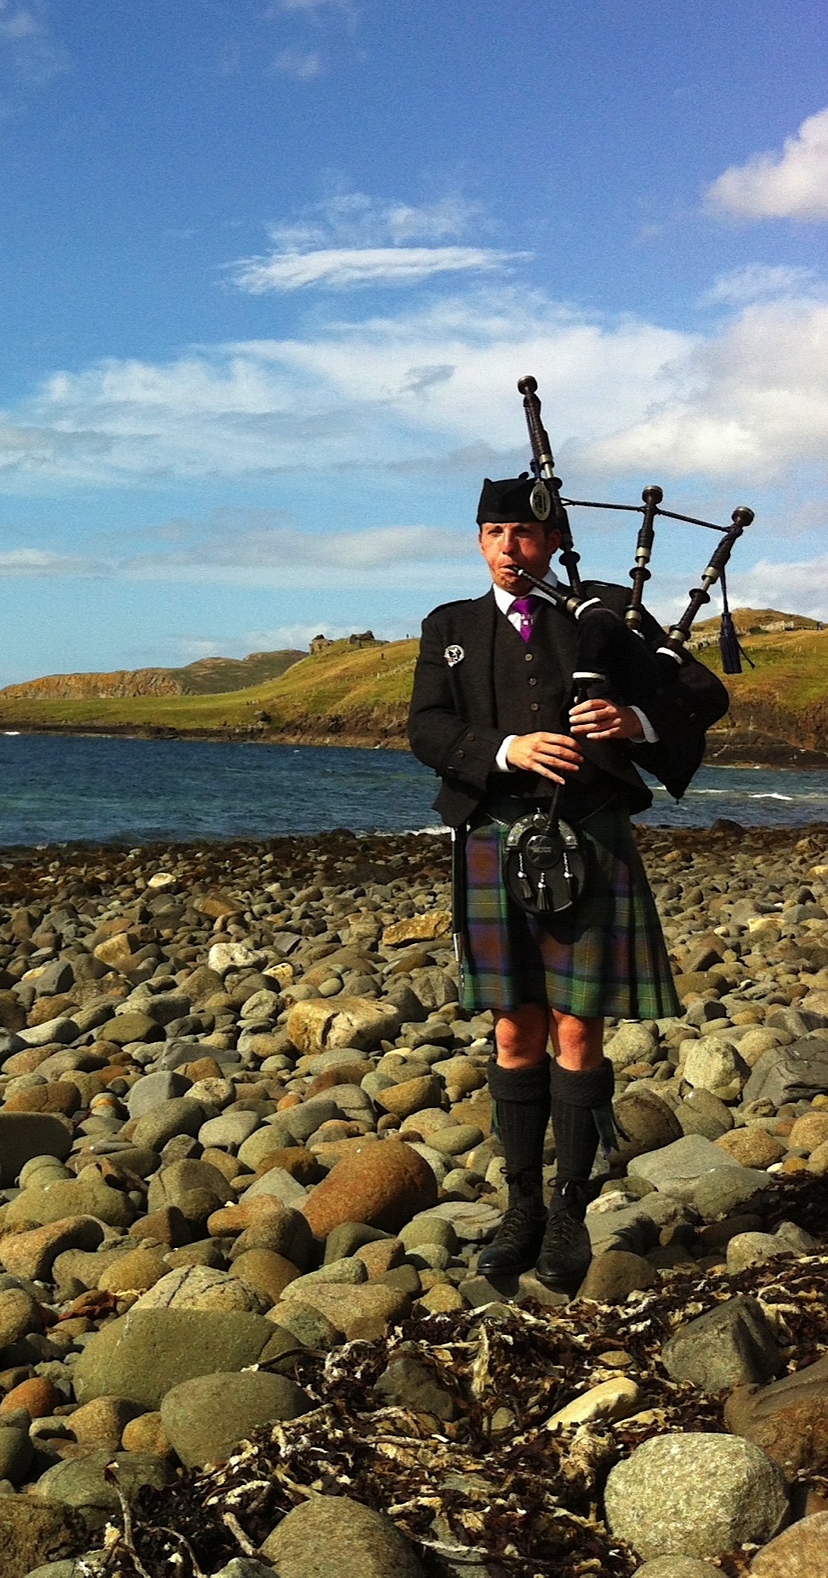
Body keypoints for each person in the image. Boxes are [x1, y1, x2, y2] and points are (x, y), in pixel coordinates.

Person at [407, 474, 730, 1289]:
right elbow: (427, 726)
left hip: (586, 833)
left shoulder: (602, 619)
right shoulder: (448, 626)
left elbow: (699, 691)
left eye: (524, 534)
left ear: (552, 541)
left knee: (575, 1029)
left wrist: (636, 722)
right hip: (494, 832)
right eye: (495, 534)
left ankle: (569, 1209)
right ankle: (519, 1205)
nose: (510, 550)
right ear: (477, 541)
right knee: (513, 1030)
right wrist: (507, 750)